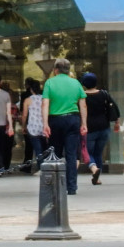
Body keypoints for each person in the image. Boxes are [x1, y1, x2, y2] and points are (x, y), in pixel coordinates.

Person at [41, 58, 88, 195]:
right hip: (73, 119)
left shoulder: (50, 83)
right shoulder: (76, 83)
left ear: (55, 70)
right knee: (71, 154)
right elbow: (83, 104)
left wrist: (45, 124)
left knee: (54, 153)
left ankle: (56, 185)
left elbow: (45, 104)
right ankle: (71, 187)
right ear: (68, 70)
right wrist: (84, 123)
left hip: (55, 120)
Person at [80, 72, 119, 185]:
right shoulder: (103, 94)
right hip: (104, 128)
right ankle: (97, 177)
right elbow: (113, 108)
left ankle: (94, 169)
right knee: (98, 153)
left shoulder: (82, 96)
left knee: (88, 152)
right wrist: (117, 122)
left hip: (89, 129)